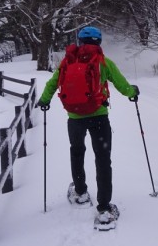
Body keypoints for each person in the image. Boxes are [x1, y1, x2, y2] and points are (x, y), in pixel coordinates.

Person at [37, 26, 139, 229]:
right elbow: (120, 83)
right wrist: (132, 92)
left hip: (74, 118)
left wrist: (44, 100)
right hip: (99, 117)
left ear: (81, 41)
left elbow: (52, 83)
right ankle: (104, 209)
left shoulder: (67, 61)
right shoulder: (103, 62)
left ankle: (81, 192)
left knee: (77, 152)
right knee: (102, 159)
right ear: (98, 42)